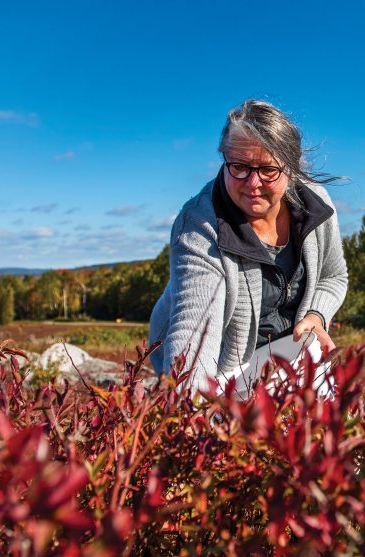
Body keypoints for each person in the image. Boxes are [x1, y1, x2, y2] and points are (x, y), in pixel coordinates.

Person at [149, 100, 347, 397]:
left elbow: (333, 276)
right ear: (224, 159)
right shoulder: (200, 226)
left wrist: (316, 316)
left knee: (319, 432)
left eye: (268, 169)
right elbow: (195, 336)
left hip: (287, 352)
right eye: (239, 167)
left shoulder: (315, 206)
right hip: (222, 364)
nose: (252, 183)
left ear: (292, 168)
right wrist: (188, 416)